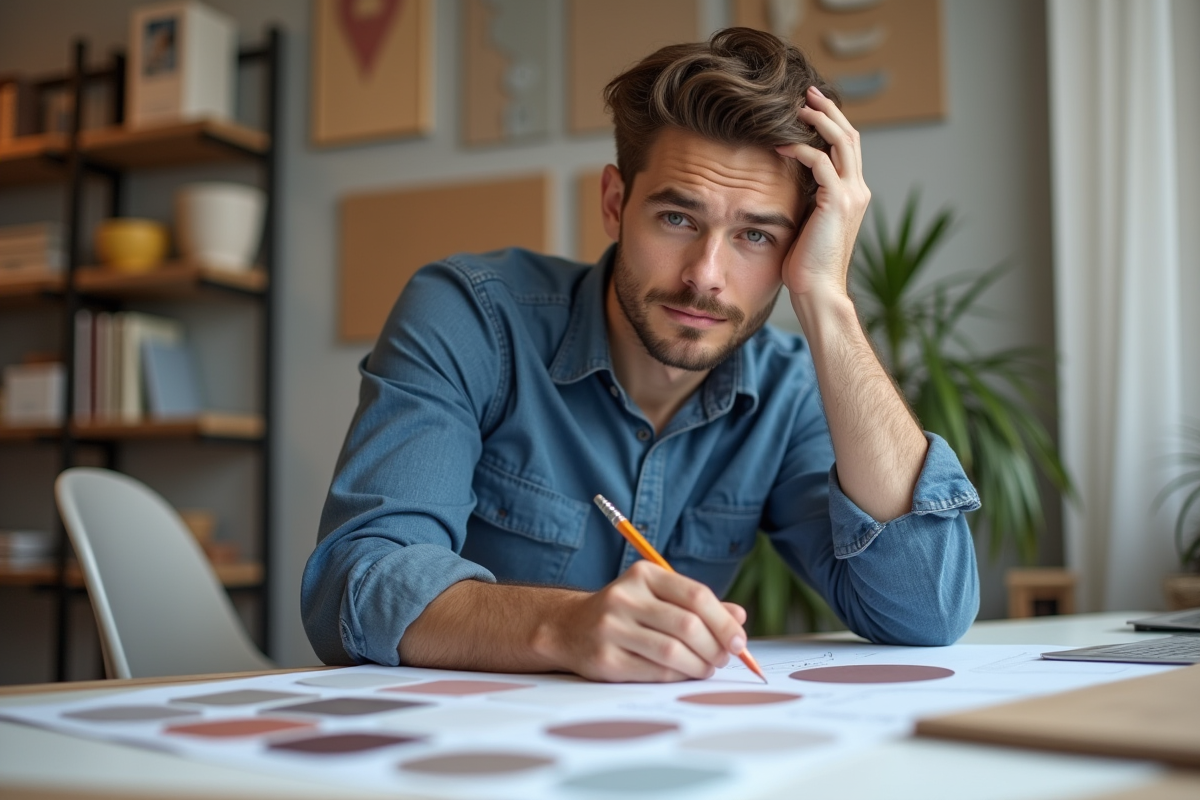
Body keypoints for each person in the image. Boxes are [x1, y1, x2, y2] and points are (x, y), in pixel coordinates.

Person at [302, 27, 980, 682]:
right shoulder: (471, 316)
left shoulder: (789, 392)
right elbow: (354, 582)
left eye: (756, 236)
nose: (705, 276)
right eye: (677, 218)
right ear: (614, 202)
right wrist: (562, 626)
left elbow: (926, 611)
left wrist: (827, 299)